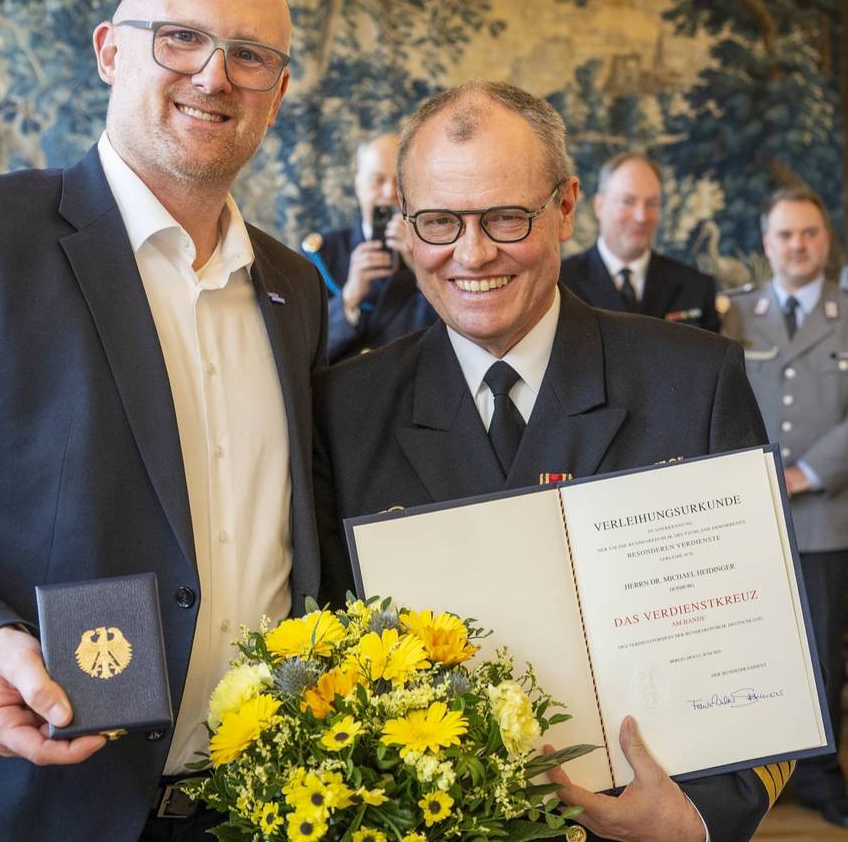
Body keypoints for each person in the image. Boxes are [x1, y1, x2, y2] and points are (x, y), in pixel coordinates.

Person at [0, 0, 328, 842]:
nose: (215, 76)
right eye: (181, 38)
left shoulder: (293, 291)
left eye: (251, 56)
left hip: (251, 810)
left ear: (277, 93)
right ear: (109, 51)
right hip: (30, 802)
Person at [314, 81, 789, 842]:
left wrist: (700, 822)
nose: (472, 254)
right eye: (439, 221)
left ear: (566, 208)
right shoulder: (343, 408)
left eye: (506, 217)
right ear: (405, 227)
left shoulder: (693, 382)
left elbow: (765, 648)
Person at [722, 188, 848, 828]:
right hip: (747, 519)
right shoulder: (736, 315)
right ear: (766, 244)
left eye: (809, 234)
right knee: (747, 647)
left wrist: (805, 470)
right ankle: (754, 776)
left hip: (827, 517)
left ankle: (822, 777)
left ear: (826, 240)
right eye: (784, 235)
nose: (797, 245)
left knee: (824, 656)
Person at [301, 132, 436, 362]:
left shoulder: (438, 252)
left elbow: (459, 340)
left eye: (400, 182)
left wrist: (421, 266)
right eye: (377, 180)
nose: (389, 193)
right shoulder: (320, 256)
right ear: (358, 185)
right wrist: (348, 299)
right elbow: (299, 355)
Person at [561, 153, 720, 331]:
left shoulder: (695, 286)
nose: (641, 217)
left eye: (652, 204)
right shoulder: (561, 282)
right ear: (599, 205)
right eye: (627, 201)